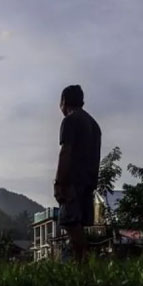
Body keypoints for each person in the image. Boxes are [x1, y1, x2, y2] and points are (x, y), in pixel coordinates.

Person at [54, 85, 101, 263]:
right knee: (78, 224)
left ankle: (82, 265)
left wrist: (60, 182)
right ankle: (81, 264)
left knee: (71, 223)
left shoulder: (71, 120)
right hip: (88, 182)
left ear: (64, 101)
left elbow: (66, 151)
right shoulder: (93, 124)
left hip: (72, 181)